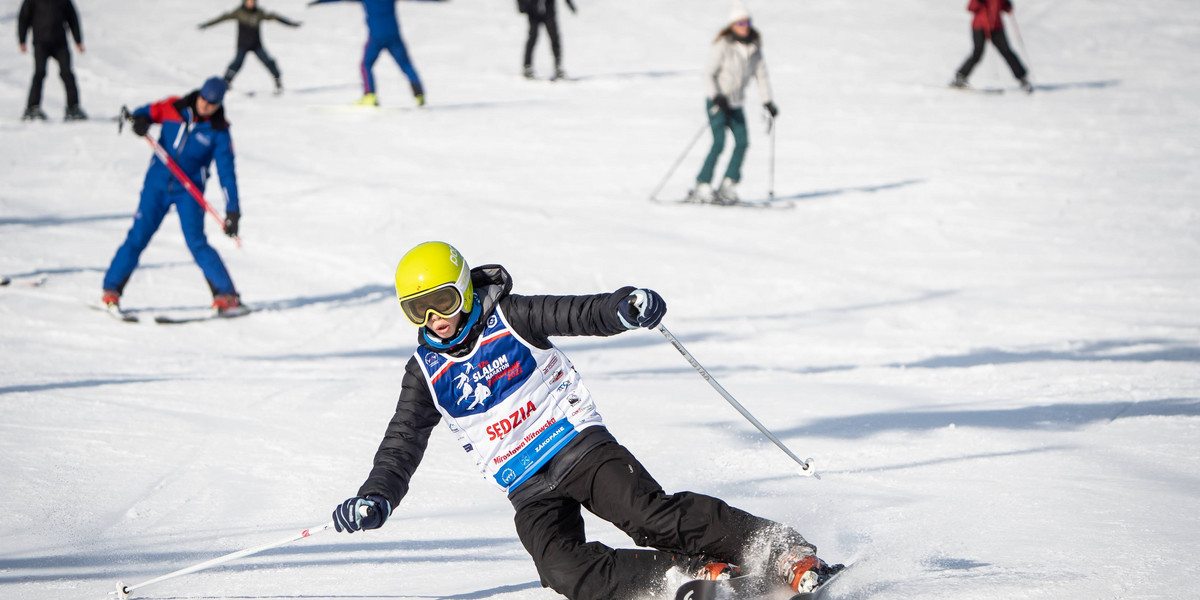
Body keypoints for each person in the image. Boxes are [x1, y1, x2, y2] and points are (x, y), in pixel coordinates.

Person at [330, 241, 842, 600]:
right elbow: (400, 445)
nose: (434, 318)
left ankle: (779, 550)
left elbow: (578, 312)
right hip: (524, 484)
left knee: (649, 516)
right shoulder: (424, 372)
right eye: (416, 310)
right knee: (559, 569)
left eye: (441, 301)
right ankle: (692, 578)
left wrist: (621, 308)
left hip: (576, 446)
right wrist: (377, 496)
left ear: (464, 290)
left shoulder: (513, 316)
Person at [101, 77, 246, 316]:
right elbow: (146, 112)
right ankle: (111, 290)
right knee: (138, 236)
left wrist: (233, 210)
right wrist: (141, 120)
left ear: (219, 104)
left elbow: (226, 172)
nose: (205, 106)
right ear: (198, 94)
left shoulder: (219, 131)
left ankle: (227, 295)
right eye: (203, 100)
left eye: (212, 104)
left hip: (188, 190)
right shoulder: (173, 107)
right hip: (156, 184)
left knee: (196, 242)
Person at [688, 1, 776, 206]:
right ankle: (703, 184)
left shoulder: (754, 48)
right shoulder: (723, 46)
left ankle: (728, 185)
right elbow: (707, 74)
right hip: (718, 102)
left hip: (736, 104)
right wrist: (716, 95)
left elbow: (761, 77)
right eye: (741, 23)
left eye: (747, 22)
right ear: (732, 25)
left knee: (743, 142)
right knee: (719, 142)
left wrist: (767, 102)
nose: (745, 26)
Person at [307, 0, 424, 107]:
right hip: (394, 36)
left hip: (376, 37)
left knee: (366, 65)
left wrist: (320, 2)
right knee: (406, 65)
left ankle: (369, 96)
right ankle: (419, 94)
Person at [199, 0, 302, 95]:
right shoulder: (239, 12)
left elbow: (274, 17)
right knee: (237, 63)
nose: (251, 3)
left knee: (268, 62)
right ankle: (226, 82)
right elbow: (223, 18)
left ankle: (278, 81)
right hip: (243, 44)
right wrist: (207, 24)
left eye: (253, 1)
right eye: (249, 1)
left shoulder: (258, 13)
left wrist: (291, 24)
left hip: (256, 44)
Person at [16, 0, 87, 121]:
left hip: (60, 43)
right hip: (40, 43)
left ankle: (73, 107)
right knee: (39, 73)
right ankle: (32, 108)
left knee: (67, 73)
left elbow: (72, 18)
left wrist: (78, 41)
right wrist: (22, 40)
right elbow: (23, 18)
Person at [950, 0, 1032, 94]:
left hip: (996, 27)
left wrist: (1007, 5)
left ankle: (1022, 78)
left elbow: (1005, 9)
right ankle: (960, 77)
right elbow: (970, 8)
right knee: (977, 53)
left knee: (1006, 51)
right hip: (979, 27)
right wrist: (978, 2)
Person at [517, 0, 576, 81]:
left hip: (548, 11)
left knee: (554, 38)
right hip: (533, 11)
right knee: (532, 38)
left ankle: (558, 67)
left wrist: (569, 4)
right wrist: (522, 7)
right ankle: (527, 67)